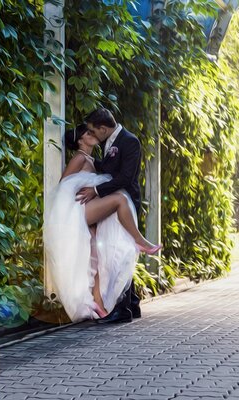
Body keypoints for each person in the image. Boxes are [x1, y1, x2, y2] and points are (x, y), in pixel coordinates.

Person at [43, 123, 160, 323]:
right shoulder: (80, 158)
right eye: (88, 133)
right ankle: (140, 240)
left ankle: (98, 303)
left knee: (95, 258)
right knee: (120, 199)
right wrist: (72, 209)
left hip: (87, 211)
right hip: (77, 210)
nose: (93, 134)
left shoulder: (93, 161)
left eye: (92, 130)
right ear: (80, 141)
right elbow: (63, 186)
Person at [76, 108, 154, 323]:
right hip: (112, 202)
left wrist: (96, 191)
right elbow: (109, 168)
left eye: (94, 130)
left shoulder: (130, 141)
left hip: (125, 202)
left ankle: (122, 310)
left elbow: (126, 177)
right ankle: (132, 303)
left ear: (103, 128)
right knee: (117, 251)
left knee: (120, 252)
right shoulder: (108, 141)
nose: (92, 134)